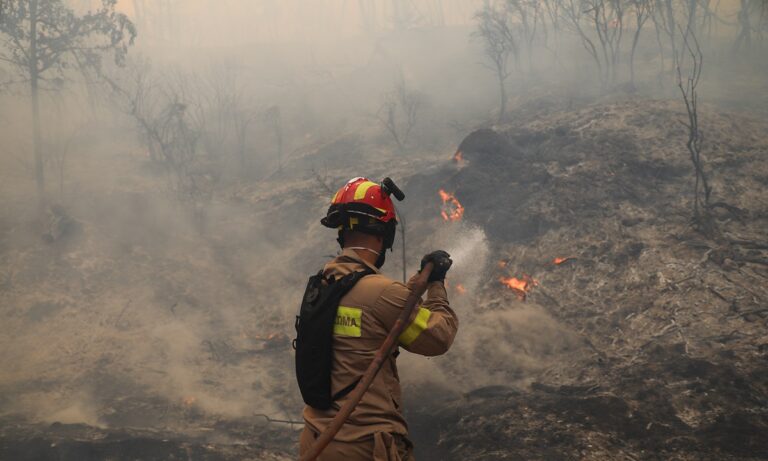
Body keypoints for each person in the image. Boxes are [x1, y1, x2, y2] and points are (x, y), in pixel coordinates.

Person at [299, 177, 459, 461]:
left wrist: (418, 282)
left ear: (341, 233)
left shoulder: (324, 284)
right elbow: (439, 338)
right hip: (365, 448)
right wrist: (436, 286)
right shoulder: (381, 293)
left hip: (317, 441)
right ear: (384, 232)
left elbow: (380, 312)